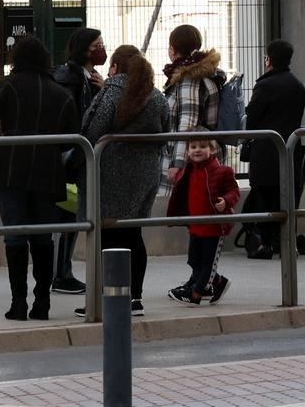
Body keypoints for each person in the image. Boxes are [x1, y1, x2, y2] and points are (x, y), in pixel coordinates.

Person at [0, 36, 79, 321]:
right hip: (47, 172)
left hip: (11, 169)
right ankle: (42, 302)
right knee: (43, 238)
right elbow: (72, 132)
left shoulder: (9, 84)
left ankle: (18, 303)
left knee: (15, 236)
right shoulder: (60, 92)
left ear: (16, 58)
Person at [78, 45, 171, 317]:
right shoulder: (156, 96)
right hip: (145, 174)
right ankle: (135, 298)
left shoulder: (111, 92)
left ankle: (108, 298)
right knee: (133, 233)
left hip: (110, 172)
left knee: (107, 234)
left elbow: (92, 129)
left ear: (115, 67)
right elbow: (165, 132)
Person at [50, 28, 106, 295]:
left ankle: (63, 271)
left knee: (71, 211)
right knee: (67, 212)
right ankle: (60, 273)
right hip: (71, 154)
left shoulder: (87, 77)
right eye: (97, 44)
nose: (101, 49)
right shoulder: (70, 78)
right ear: (84, 48)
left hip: (77, 153)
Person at [242, 39, 305, 259]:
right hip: (291, 152)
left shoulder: (265, 85)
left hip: (266, 153)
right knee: (286, 198)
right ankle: (283, 242)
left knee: (265, 197)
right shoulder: (297, 85)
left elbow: (252, 119)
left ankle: (263, 243)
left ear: (268, 59)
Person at [166, 135, 239, 305]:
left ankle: (198, 294)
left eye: (203, 146)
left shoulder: (223, 171)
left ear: (212, 150)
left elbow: (234, 191)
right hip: (195, 227)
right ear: (188, 151)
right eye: (193, 147)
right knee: (193, 260)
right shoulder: (188, 171)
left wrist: (226, 201)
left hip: (214, 228)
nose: (197, 150)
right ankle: (218, 282)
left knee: (208, 264)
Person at [159, 24, 226, 195]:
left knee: (187, 213)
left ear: (173, 49)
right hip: (201, 158)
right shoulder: (202, 74)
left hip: (192, 164)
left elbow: (188, 124)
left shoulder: (190, 78)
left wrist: (177, 164)